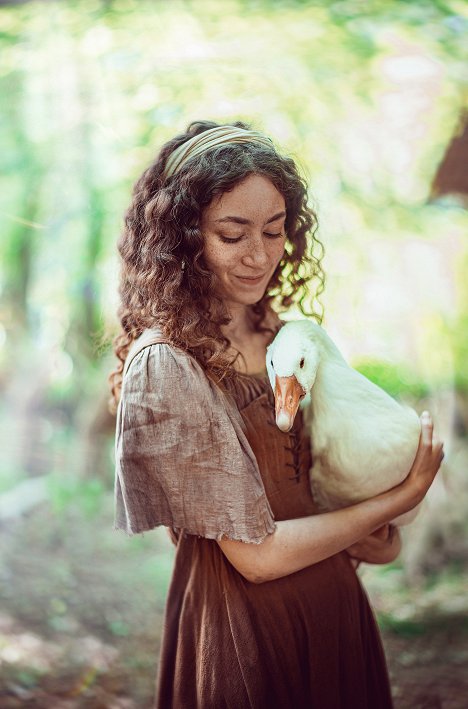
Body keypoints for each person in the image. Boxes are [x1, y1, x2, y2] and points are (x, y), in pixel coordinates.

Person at [110, 120, 444, 709]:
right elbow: (255, 559)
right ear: (183, 236)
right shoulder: (166, 363)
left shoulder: (289, 339)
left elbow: (367, 539)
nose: (259, 256)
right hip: (242, 628)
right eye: (232, 234)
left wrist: (380, 528)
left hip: (335, 610)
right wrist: (400, 496)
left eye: (274, 230)